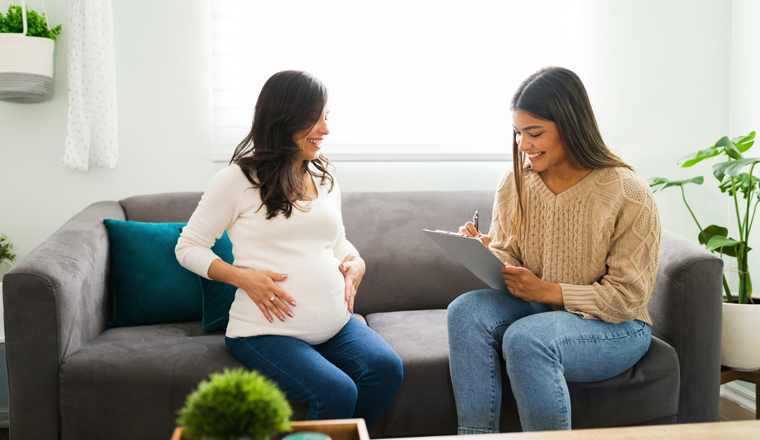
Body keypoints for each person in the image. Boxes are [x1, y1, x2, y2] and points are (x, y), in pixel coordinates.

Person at [176, 70, 403, 423]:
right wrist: (243, 278)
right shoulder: (238, 181)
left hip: (335, 324)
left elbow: (337, 241)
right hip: (264, 332)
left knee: (387, 370)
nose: (325, 130)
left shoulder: (323, 178)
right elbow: (188, 247)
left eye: (326, 117)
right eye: (315, 118)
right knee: (337, 391)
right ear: (284, 118)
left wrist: (355, 261)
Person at [447, 66, 660, 433]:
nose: (523, 145)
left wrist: (550, 291)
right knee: (464, 311)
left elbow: (628, 298)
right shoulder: (515, 182)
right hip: (540, 307)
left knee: (526, 339)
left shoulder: (627, 192)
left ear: (570, 126)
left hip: (618, 327)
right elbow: (511, 257)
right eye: (517, 133)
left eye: (534, 133)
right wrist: (486, 250)